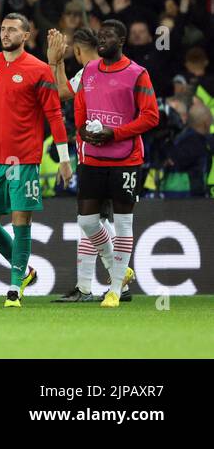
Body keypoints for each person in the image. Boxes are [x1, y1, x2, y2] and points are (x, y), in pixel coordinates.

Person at [0, 13, 71, 309]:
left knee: (21, 221)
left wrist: (64, 159)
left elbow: (54, 115)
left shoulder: (39, 70)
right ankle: (28, 271)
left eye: (12, 30)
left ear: (27, 35)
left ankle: (14, 287)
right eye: (3, 29)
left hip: (24, 160)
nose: (5, 34)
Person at [67, 20, 159, 307]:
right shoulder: (90, 70)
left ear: (122, 40)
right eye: (99, 35)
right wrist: (82, 129)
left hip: (126, 159)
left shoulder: (137, 74)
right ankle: (119, 267)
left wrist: (115, 133)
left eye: (108, 36)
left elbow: (151, 116)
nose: (101, 40)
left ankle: (115, 290)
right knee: (87, 221)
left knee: (123, 223)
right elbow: (80, 100)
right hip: (93, 157)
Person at [46, 26, 122, 302]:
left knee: (90, 220)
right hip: (112, 155)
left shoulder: (90, 72)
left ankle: (116, 276)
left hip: (97, 157)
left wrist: (55, 61)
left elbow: (61, 93)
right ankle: (106, 284)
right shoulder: (109, 69)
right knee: (97, 219)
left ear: (77, 50)